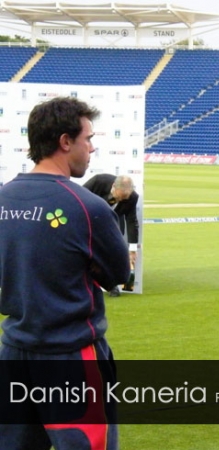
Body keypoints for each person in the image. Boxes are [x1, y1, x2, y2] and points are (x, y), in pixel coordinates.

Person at [0, 96, 130, 449]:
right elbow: (117, 274)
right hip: (71, 356)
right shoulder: (88, 207)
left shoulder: (3, 197)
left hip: (12, 351)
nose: (92, 148)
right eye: (88, 139)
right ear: (65, 141)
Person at [83, 173, 139, 296]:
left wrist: (133, 249)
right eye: (118, 197)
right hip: (88, 221)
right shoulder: (98, 181)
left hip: (112, 225)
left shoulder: (133, 197)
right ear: (114, 186)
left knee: (112, 253)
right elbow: (77, 199)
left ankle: (112, 284)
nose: (120, 200)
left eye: (123, 199)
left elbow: (131, 221)